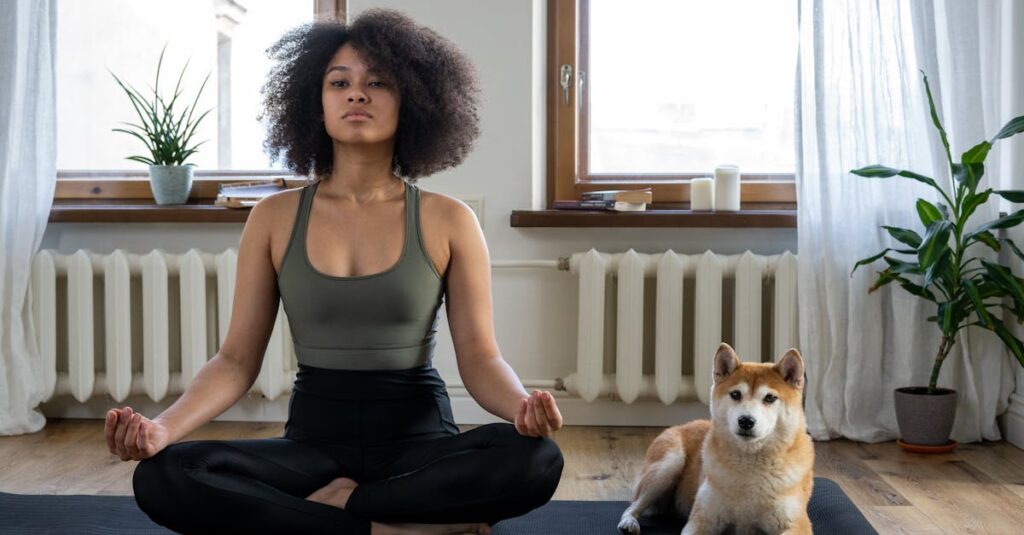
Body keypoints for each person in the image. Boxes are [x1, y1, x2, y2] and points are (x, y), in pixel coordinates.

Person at [103, 9, 564, 535]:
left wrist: (523, 407)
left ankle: (336, 512)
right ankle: (394, 526)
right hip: (311, 449)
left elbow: (481, 359)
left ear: (412, 99)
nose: (357, 94)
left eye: (377, 82)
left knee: (536, 459)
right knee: (165, 475)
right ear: (314, 102)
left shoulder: (449, 220)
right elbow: (234, 361)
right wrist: (162, 429)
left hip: (419, 445)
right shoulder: (272, 218)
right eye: (339, 82)